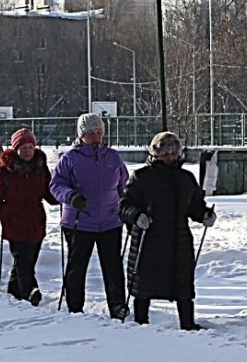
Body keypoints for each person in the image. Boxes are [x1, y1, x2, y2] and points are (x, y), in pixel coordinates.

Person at [120, 130, 216, 328]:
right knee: (144, 284)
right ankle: (140, 322)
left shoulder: (186, 178)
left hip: (178, 240)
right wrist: (137, 216)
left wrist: (205, 215)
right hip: (149, 239)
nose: (170, 157)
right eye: (165, 153)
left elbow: (195, 206)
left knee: (183, 284)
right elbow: (123, 206)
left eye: (173, 153)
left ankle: (187, 323)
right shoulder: (141, 177)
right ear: (155, 154)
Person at [50, 112, 131, 316]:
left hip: (110, 220)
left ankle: (118, 305)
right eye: (91, 133)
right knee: (77, 267)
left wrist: (126, 209)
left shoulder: (113, 156)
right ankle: (74, 306)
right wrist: (71, 197)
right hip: (79, 222)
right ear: (81, 135)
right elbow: (56, 185)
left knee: (113, 267)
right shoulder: (70, 158)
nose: (96, 137)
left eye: (99, 133)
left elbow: (124, 185)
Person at [0, 127, 53, 305]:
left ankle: (13, 295)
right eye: (23, 147)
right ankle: (30, 292)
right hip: (14, 221)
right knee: (22, 259)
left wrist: (64, 196)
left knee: (27, 261)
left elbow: (48, 192)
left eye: (30, 147)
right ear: (15, 149)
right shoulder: (5, 170)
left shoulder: (40, 167)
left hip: (36, 221)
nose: (27, 151)